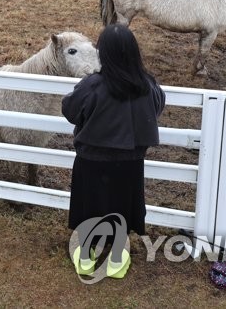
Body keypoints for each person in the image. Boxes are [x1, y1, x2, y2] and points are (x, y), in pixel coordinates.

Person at [61, 24, 166, 279]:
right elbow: (158, 107)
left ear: (103, 54)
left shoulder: (93, 85)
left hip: (91, 160)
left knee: (90, 208)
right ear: (134, 52)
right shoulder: (147, 86)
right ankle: (117, 260)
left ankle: (85, 258)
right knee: (122, 210)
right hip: (130, 162)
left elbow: (70, 110)